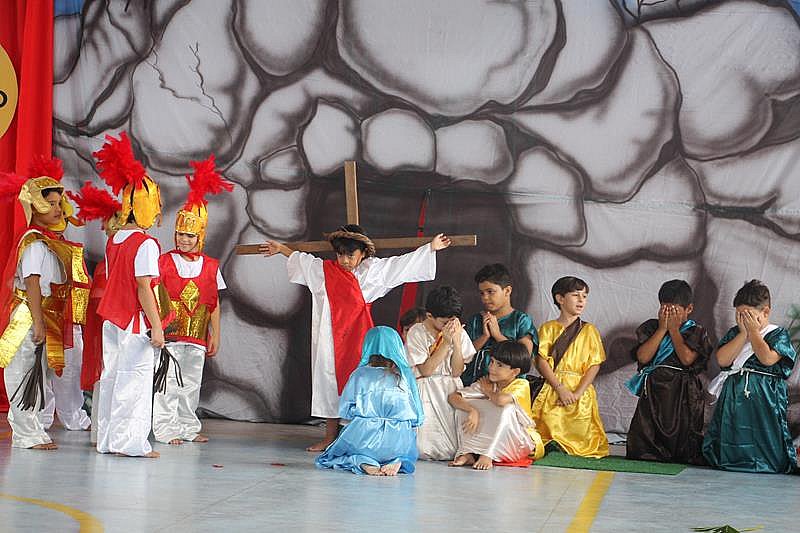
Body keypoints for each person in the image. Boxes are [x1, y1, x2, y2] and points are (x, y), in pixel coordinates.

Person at [260, 226, 451, 451]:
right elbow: (303, 261)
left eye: (350, 255)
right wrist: (281, 249)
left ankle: (356, 436)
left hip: (359, 339)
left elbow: (400, 265)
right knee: (329, 384)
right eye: (340, 254)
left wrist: (430, 248)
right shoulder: (325, 271)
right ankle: (329, 436)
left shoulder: (372, 273)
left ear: (363, 254)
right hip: (328, 340)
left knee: (361, 383)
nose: (344, 260)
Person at [92, 132, 165, 458]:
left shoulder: (114, 239)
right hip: (134, 321)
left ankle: (108, 439)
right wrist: (157, 326)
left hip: (112, 319)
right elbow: (143, 287)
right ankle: (129, 443)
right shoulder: (145, 244)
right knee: (133, 381)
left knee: (111, 378)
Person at [153, 155, 231, 445]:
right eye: (180, 234)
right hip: (171, 334)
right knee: (168, 382)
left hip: (197, 335)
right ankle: (165, 428)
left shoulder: (210, 266)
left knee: (191, 383)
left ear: (200, 236)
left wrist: (215, 334)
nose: (184, 239)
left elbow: (213, 303)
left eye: (190, 235)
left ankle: (187, 427)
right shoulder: (163, 262)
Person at [0, 162, 79, 449]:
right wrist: (38, 321)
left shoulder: (47, 239)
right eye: (51, 204)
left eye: (59, 203)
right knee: (23, 371)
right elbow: (32, 283)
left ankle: (33, 429)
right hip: (29, 315)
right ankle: (25, 433)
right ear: (35, 206)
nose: (58, 209)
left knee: (39, 374)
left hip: (44, 314)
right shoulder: (33, 242)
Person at [702, 280, 797, 473]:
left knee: (764, 429)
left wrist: (753, 333)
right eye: (739, 315)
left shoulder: (778, 334)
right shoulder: (735, 333)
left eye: (748, 315)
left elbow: (767, 359)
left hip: (765, 395)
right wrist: (743, 334)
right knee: (734, 427)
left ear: (765, 312)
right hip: (734, 393)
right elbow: (722, 360)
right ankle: (733, 459)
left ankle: (767, 462)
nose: (743, 320)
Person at [315, 326, 423, 476]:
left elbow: (346, 410)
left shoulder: (359, 374)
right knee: (405, 443)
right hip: (398, 437)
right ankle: (397, 459)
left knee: (336, 454)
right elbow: (417, 416)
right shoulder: (405, 376)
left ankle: (362, 460)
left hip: (365, 435)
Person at [625, 280, 712, 464]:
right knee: (648, 426)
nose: (669, 314)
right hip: (654, 388)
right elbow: (643, 357)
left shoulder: (696, 331)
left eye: (674, 310)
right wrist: (663, 329)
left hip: (683, 391)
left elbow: (687, 359)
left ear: (689, 309)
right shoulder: (651, 328)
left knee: (682, 427)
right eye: (665, 309)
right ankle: (649, 452)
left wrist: (673, 330)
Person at [67, 180, 123, 444]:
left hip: (120, 326)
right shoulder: (107, 263)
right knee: (109, 375)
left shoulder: (118, 257)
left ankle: (110, 432)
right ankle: (106, 432)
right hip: (111, 327)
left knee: (116, 376)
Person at [532, 276, 609, 458]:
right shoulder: (548, 328)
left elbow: (594, 365)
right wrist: (560, 388)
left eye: (584, 296)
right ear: (560, 298)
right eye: (575, 295)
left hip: (579, 390)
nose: (581, 300)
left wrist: (577, 393)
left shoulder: (590, 331)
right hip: (553, 387)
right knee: (549, 426)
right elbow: (541, 360)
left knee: (580, 432)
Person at [448, 341, 544, 470]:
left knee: (506, 409)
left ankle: (489, 454)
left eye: (499, 365)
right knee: (466, 406)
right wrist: (471, 410)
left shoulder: (521, 384)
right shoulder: (487, 382)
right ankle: (468, 452)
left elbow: (500, 400)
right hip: (493, 439)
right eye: (492, 362)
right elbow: (453, 397)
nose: (492, 368)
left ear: (515, 371)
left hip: (520, 441)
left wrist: (487, 391)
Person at [405, 286, 475, 460]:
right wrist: (446, 343)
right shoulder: (417, 332)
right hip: (426, 389)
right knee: (422, 447)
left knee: (453, 447)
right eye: (445, 322)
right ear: (430, 315)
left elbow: (456, 372)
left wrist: (456, 342)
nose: (450, 326)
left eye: (453, 321)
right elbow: (426, 370)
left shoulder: (458, 331)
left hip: (450, 388)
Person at [463, 263, 538, 386]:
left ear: (507, 290)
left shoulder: (521, 321)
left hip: (507, 389)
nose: (485, 298)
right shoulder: (476, 320)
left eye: (490, 292)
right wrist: (485, 337)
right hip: (472, 384)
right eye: (482, 293)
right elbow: (463, 355)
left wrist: (497, 335)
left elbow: (523, 358)